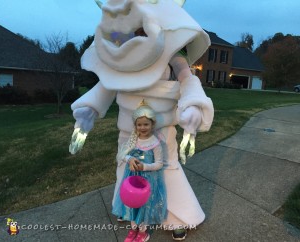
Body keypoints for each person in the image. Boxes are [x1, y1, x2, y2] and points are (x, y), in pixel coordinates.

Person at [69, 1, 214, 240]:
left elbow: (188, 80)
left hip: (161, 129)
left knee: (167, 169)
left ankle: (177, 217)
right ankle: (129, 207)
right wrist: (89, 110)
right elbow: (106, 85)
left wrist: (192, 106)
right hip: (128, 128)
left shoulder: (172, 53)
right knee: (126, 168)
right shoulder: (121, 49)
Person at [112, 100, 167, 242]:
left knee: (144, 207)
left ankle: (143, 233)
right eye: (139, 124)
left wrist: (145, 167)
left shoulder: (155, 143)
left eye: (146, 124)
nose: (143, 127)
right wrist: (129, 159)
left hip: (147, 181)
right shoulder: (133, 140)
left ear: (152, 124)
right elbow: (121, 155)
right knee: (131, 205)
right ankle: (133, 229)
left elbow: (159, 164)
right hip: (131, 180)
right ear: (135, 126)